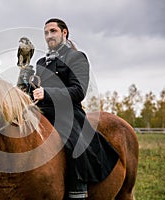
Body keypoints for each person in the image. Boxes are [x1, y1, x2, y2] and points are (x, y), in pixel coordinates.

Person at [32, 18, 119, 199]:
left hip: (68, 114)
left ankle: (77, 191)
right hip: (41, 112)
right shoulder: (40, 62)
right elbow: (35, 91)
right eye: (46, 32)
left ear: (64, 33)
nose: (49, 36)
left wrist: (47, 93)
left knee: (74, 145)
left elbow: (78, 90)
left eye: (53, 31)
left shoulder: (77, 57)